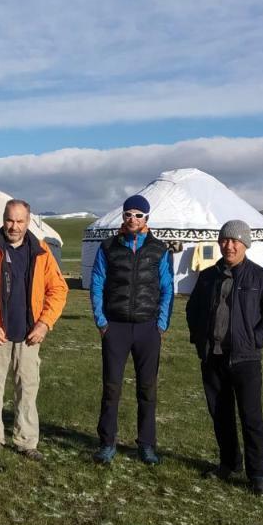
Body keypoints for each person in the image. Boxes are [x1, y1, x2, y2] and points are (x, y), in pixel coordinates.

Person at [185, 220, 263, 496]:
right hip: (213, 357)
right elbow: (192, 309)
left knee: (251, 418)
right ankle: (229, 463)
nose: (229, 245)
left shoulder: (259, 277)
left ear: (245, 245)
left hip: (245, 359)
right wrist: (199, 339)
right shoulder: (207, 277)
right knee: (220, 415)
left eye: (235, 241)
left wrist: (255, 338)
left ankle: (259, 475)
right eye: (225, 240)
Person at [0, 199, 68, 461]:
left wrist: (45, 323)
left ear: (29, 222)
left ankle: (26, 440)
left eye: (19, 221)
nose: (14, 226)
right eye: (9, 220)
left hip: (29, 333)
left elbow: (58, 289)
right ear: (2, 219)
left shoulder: (39, 250)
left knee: (27, 388)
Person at [89, 193, 173, 465]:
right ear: (122, 216)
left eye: (138, 215)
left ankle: (146, 444)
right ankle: (107, 442)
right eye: (128, 214)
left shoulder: (159, 249)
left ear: (147, 218)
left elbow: (167, 288)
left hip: (147, 327)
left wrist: (161, 325)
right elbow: (97, 282)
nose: (133, 219)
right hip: (116, 326)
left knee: (147, 389)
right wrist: (102, 322)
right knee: (111, 387)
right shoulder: (109, 247)